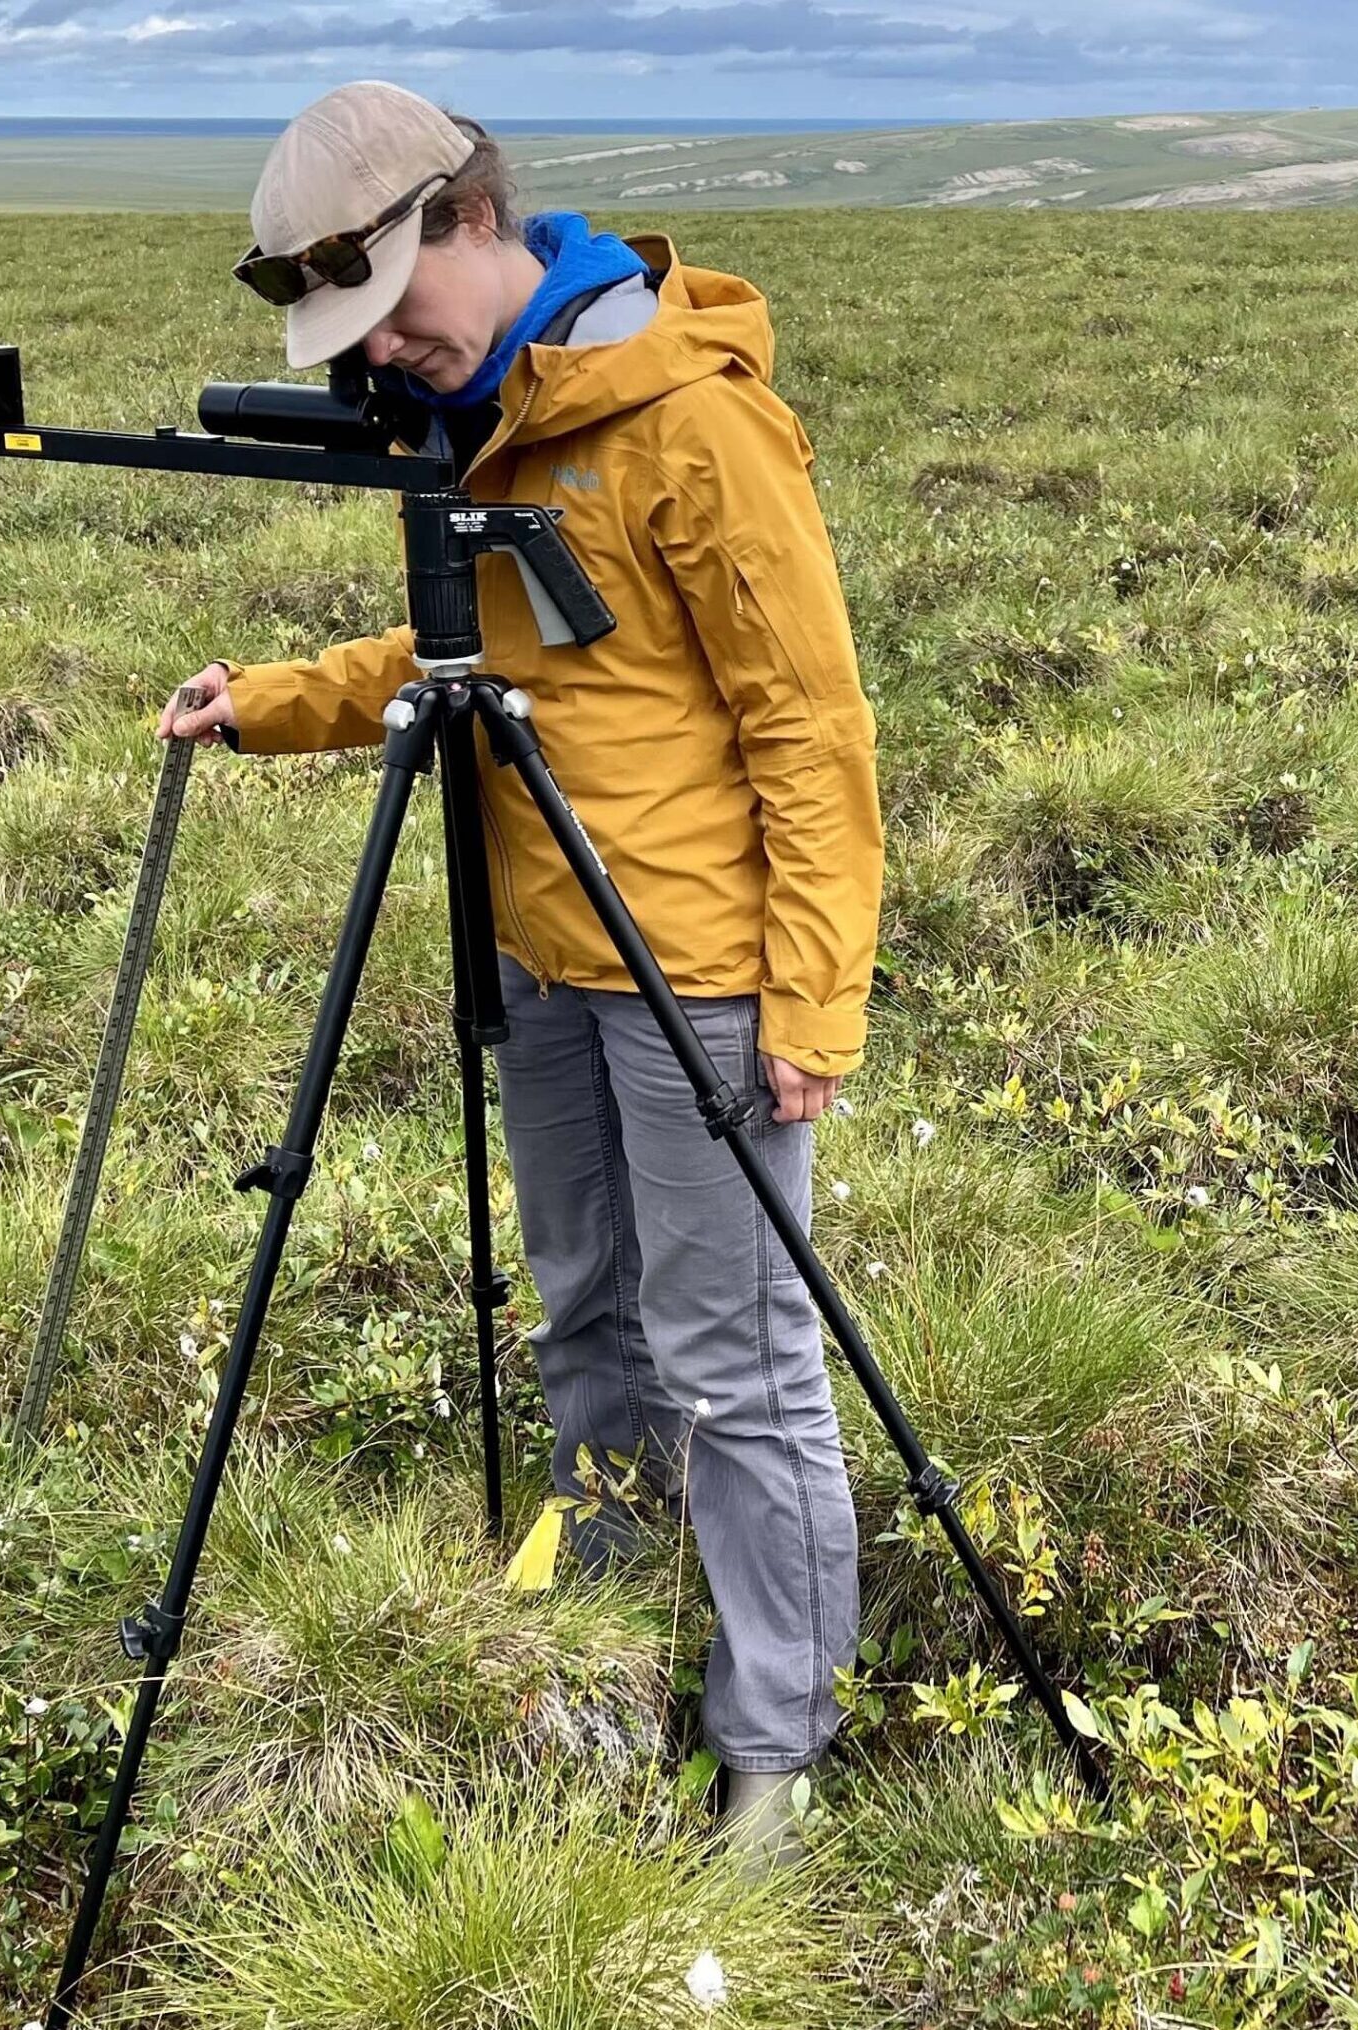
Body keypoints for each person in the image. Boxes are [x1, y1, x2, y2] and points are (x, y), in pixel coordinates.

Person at [157, 79, 883, 1866]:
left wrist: (813, 995)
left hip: (696, 967)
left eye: (402, 307)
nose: (390, 350)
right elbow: (465, 643)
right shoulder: (495, 417)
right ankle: (608, 1577)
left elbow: (810, 720)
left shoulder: (684, 422)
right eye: (362, 333)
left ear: (478, 222)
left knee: (739, 1357)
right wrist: (271, 701)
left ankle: (773, 1746)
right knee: (584, 1306)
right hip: (542, 953)